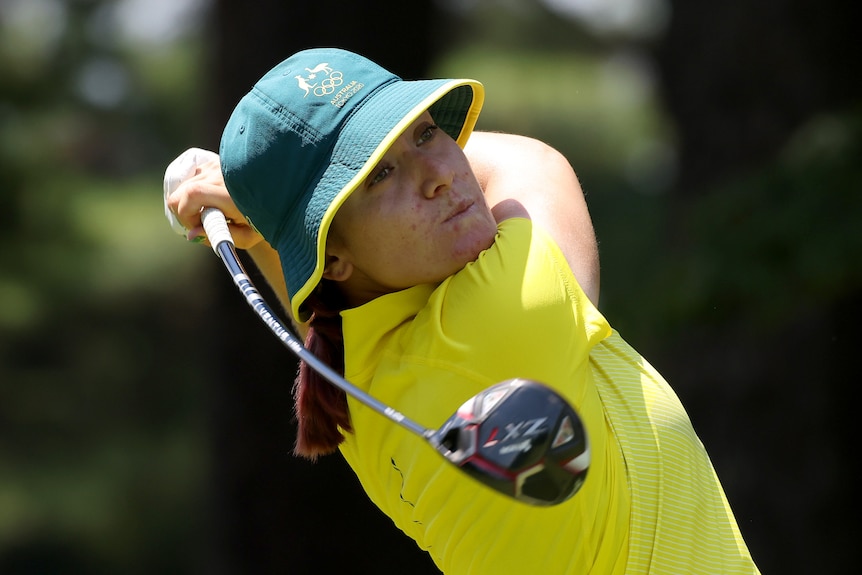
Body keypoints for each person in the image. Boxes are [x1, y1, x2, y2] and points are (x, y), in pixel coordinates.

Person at [167, 48, 760, 574]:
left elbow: (324, 289)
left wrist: (270, 224)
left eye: (425, 133)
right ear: (334, 254)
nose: (443, 174)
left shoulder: (355, 379)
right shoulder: (501, 325)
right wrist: (256, 207)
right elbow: (533, 163)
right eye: (381, 175)